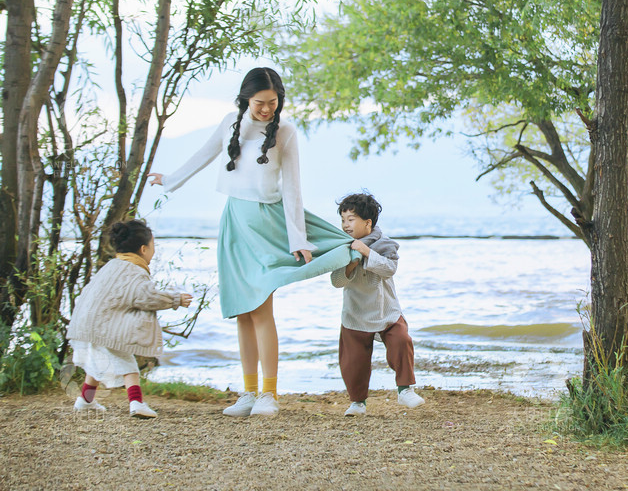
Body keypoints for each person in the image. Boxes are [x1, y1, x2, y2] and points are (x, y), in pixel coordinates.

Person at [147, 67, 355, 417]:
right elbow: (204, 154)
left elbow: (292, 187)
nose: (266, 109)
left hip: (267, 224)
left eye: (272, 102)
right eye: (259, 103)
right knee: (244, 311)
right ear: (246, 98)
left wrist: (298, 239)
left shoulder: (285, 132)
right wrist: (170, 180)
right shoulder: (232, 121)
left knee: (261, 307)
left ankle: (269, 395)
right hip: (235, 222)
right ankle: (248, 392)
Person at [68, 219, 193, 418]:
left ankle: (85, 399)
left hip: (85, 322)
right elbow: (146, 297)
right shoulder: (134, 272)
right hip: (103, 325)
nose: (154, 251)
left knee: (97, 362)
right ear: (144, 249)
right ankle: (136, 403)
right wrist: (175, 299)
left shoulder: (111, 266)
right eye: (154, 246)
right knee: (128, 364)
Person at [332, 193, 424, 416]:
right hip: (355, 313)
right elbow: (336, 281)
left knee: (402, 341)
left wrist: (365, 252)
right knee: (353, 360)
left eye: (351, 219)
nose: (346, 225)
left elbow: (389, 268)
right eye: (343, 219)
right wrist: (350, 264)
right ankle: (357, 402)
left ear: (368, 223)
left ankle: (405, 390)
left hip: (387, 311)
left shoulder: (385, 244)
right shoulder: (341, 248)